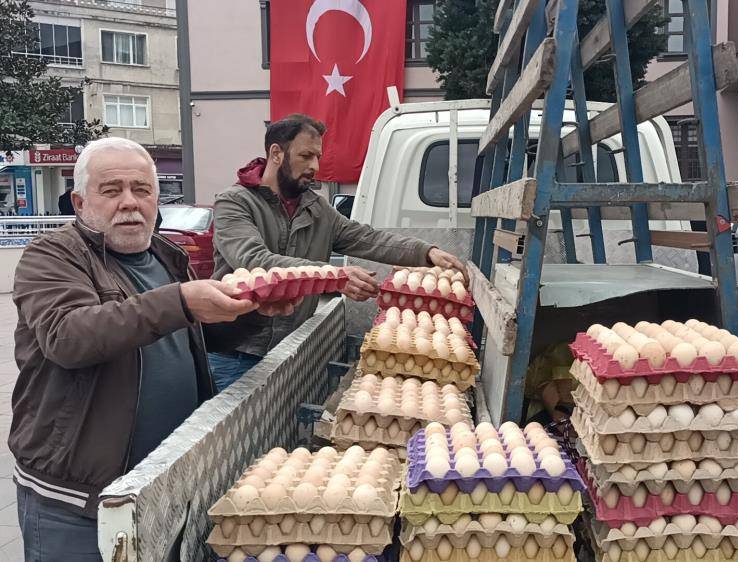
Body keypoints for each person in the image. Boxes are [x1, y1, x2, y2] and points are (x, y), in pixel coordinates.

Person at [9, 138, 295, 562]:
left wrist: (250, 314)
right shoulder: (49, 256)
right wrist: (179, 301)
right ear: (79, 200)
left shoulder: (166, 256)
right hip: (78, 498)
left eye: (142, 190)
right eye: (112, 190)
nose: (130, 203)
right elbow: (68, 337)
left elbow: (195, 336)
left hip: (166, 484)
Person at [210, 113, 467, 389]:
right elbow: (254, 261)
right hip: (238, 351)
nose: (315, 166)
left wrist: (425, 252)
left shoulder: (316, 208)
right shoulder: (235, 203)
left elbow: (366, 238)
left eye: (318, 157)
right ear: (276, 153)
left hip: (288, 349)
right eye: (306, 156)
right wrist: (335, 276)